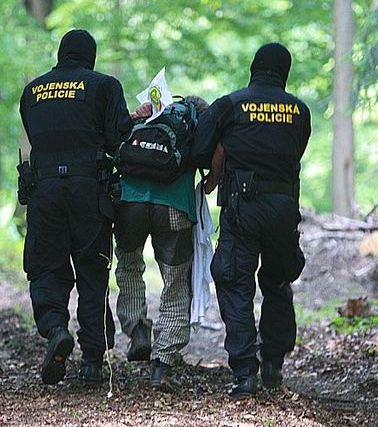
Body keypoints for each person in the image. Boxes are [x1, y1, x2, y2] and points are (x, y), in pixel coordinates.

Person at [191, 43, 311, 399]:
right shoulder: (300, 111)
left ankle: (245, 373)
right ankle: (273, 362)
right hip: (283, 208)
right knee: (277, 283)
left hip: (242, 207)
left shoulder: (230, 104)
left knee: (234, 283)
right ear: (284, 72)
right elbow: (296, 150)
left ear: (253, 68)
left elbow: (200, 148)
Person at [18, 29, 131, 385]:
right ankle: (92, 363)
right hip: (89, 190)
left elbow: (36, 137)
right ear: (90, 56)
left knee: (46, 267)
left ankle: (54, 329)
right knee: (92, 272)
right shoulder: (105, 86)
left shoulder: (32, 91)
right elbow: (120, 139)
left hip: (44, 190)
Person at [114, 96, 209, 389]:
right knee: (175, 281)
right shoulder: (193, 123)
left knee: (129, 267)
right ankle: (161, 364)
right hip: (174, 207)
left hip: (129, 203)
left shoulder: (147, 117)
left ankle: (137, 331)